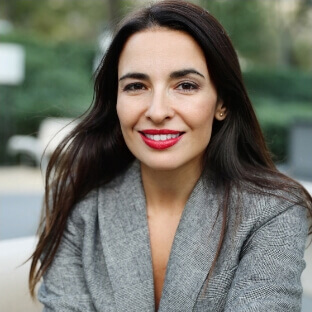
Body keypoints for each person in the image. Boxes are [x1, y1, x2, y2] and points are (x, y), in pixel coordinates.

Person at [29, 1, 312, 311]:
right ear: (116, 101)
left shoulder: (273, 211)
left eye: (186, 85)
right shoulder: (76, 200)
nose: (158, 111)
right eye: (136, 86)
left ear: (222, 103)